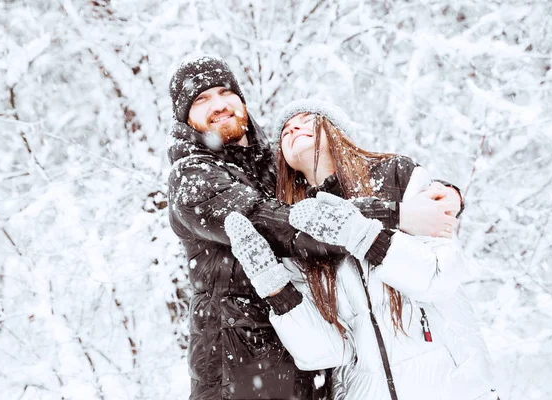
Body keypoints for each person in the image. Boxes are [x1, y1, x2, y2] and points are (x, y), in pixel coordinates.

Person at [167, 56, 464, 399]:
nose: (218, 105)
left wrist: (442, 195)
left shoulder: (276, 167)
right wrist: (395, 214)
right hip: (237, 366)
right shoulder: (191, 177)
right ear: (184, 119)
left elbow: (340, 188)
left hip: (313, 365)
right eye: (200, 100)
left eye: (224, 92)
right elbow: (275, 223)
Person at [223, 99, 498, 399]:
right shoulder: (297, 227)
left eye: (305, 119)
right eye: (285, 131)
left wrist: (362, 235)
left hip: (452, 387)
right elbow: (325, 351)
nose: (293, 128)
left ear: (335, 128)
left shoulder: (396, 174)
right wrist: (274, 286)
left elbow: (440, 277)